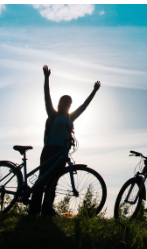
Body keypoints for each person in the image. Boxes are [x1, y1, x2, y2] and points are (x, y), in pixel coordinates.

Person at [29, 65, 101, 216]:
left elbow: (84, 106)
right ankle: (33, 211)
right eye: (64, 102)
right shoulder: (52, 114)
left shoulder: (70, 117)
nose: (67, 104)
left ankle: (47, 211)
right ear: (59, 103)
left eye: (69, 103)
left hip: (62, 152)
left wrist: (94, 91)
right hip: (50, 150)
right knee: (42, 180)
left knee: (53, 182)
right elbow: (46, 95)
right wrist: (46, 78)